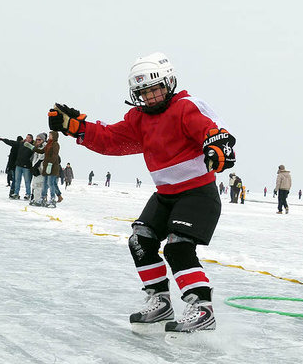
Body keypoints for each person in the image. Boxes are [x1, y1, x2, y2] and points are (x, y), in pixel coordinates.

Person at [49, 52, 236, 334]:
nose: (149, 98)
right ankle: (160, 299)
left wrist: (219, 147)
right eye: (143, 93)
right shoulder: (139, 119)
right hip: (166, 194)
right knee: (140, 240)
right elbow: (111, 139)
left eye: (155, 90)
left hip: (198, 193)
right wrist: (77, 128)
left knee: (177, 247)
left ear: (169, 83)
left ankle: (202, 307)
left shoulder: (186, 108)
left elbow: (213, 130)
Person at [8, 134, 34, 200]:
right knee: (17, 180)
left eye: (28, 138)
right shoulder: (21, 144)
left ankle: (28, 194)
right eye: (26, 137)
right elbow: (12, 143)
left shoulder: (32, 146)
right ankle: (16, 193)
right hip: (18, 165)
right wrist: (3, 140)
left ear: (31, 139)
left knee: (27, 181)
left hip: (26, 166)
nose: (26, 139)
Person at [41, 131, 61, 206]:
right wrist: (32, 148)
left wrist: (50, 164)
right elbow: (42, 151)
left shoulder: (56, 144)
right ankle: (42, 198)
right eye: (49, 135)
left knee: (50, 183)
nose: (49, 136)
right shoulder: (48, 144)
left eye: (50, 135)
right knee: (44, 184)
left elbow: (55, 155)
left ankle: (52, 199)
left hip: (52, 167)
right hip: (46, 166)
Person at [28, 133, 47, 205]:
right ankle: (35, 198)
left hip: (40, 168)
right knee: (35, 184)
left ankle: (39, 200)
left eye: (39, 139)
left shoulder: (44, 146)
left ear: (43, 140)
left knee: (39, 184)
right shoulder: (38, 146)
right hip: (36, 168)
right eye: (36, 139)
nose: (37, 141)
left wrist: (36, 166)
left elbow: (42, 157)